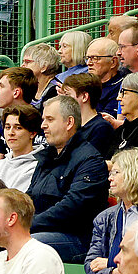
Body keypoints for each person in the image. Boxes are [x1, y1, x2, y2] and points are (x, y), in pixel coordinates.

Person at [26, 96, 107, 259]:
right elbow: (29, 197)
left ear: (69, 122)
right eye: (43, 119)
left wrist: (28, 224)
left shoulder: (90, 160)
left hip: (77, 238)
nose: (43, 126)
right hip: (42, 229)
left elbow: (71, 207)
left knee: (26, 245)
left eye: (50, 119)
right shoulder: (46, 157)